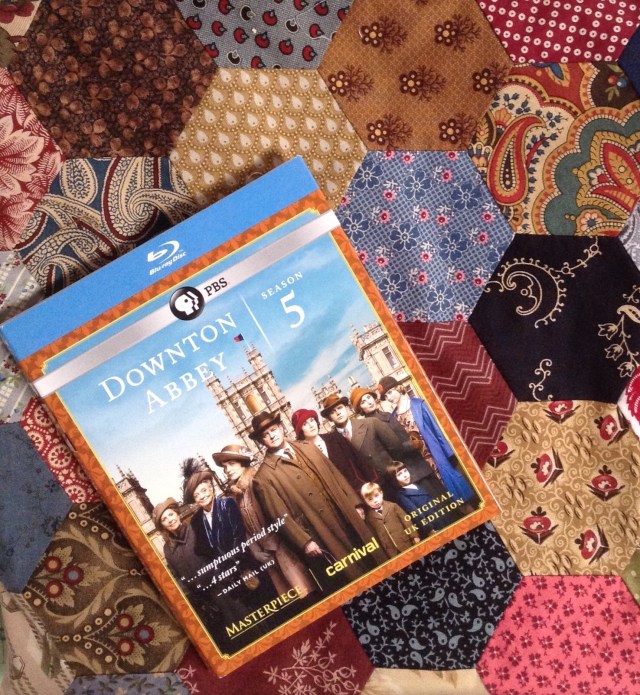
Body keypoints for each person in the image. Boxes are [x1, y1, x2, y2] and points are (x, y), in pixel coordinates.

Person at [249, 410, 387, 590]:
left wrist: (356, 504)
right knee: (352, 576)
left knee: (375, 559)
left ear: (281, 428)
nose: (271, 436)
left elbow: (335, 475)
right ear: (261, 442)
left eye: (273, 430)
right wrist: (304, 541)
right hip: (319, 529)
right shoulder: (263, 477)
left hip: (346, 513)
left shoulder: (308, 446)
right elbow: (280, 517)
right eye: (265, 435)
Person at [213, 443, 317, 599]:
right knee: (292, 598)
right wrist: (255, 551)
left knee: (306, 590)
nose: (227, 469)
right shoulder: (236, 495)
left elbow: (278, 514)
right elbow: (243, 529)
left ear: (243, 463)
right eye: (224, 467)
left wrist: (271, 544)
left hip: (285, 548)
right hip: (266, 556)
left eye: (231, 464)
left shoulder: (259, 481)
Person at [181, 458, 268, 637]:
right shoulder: (196, 521)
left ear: (211, 489)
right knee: (250, 614)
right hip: (226, 577)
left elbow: (238, 535)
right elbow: (202, 549)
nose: (202, 496)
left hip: (245, 566)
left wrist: (234, 565)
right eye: (197, 495)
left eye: (204, 491)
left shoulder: (227, 504)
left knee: (265, 604)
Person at [322, 389, 449, 505]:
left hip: (395, 484)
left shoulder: (371, 423)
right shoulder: (332, 441)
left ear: (347, 408)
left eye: (339, 408)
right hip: (371, 496)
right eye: (332, 412)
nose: (337, 413)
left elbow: (397, 449)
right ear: (329, 418)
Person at [378, 376, 477, 513]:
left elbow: (437, 431)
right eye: (385, 396)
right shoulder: (394, 417)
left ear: (398, 388)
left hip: (437, 457)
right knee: (444, 506)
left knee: (460, 497)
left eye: (390, 392)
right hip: (420, 467)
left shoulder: (419, 405)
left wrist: (449, 454)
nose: (388, 398)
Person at [292, 405, 378, 491]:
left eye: (312, 420)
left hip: (360, 489)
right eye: (305, 424)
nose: (311, 425)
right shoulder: (304, 455)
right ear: (300, 431)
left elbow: (359, 460)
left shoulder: (335, 438)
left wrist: (373, 484)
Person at [385, 461, 450, 539]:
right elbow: (416, 514)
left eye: (405, 471)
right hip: (432, 525)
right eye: (399, 474)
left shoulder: (416, 485)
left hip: (440, 518)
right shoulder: (402, 495)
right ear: (394, 479)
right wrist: (429, 529)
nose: (405, 475)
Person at [360, 481, 420, 558]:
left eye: (376, 495)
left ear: (381, 494)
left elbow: (407, 521)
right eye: (370, 499)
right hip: (390, 550)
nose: (375, 500)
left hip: (405, 542)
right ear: (366, 502)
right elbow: (375, 535)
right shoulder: (370, 517)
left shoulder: (393, 506)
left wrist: (414, 536)